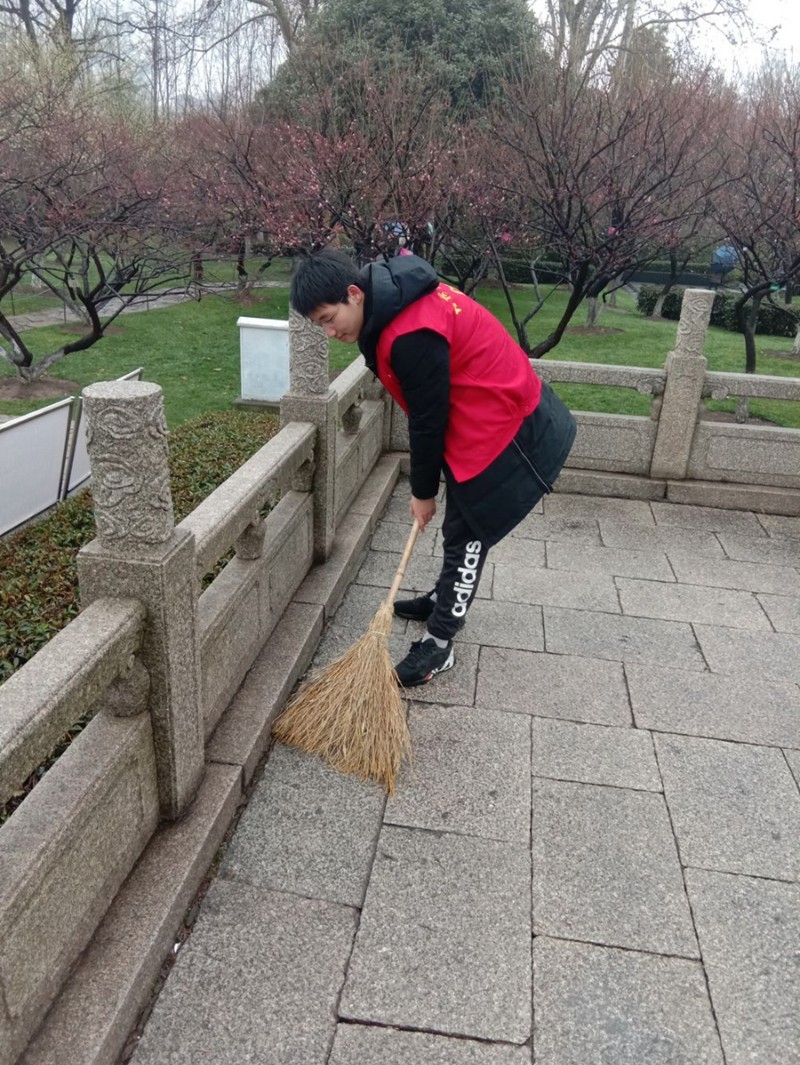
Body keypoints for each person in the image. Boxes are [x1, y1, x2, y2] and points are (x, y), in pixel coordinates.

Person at [290, 249, 577, 687]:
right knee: (458, 531)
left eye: (330, 318)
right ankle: (443, 598)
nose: (330, 332)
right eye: (320, 325)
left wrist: (423, 492)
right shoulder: (393, 297)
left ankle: (440, 643)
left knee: (468, 536)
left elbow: (427, 420)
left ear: (354, 293)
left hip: (508, 431)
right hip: (485, 417)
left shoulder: (409, 332)